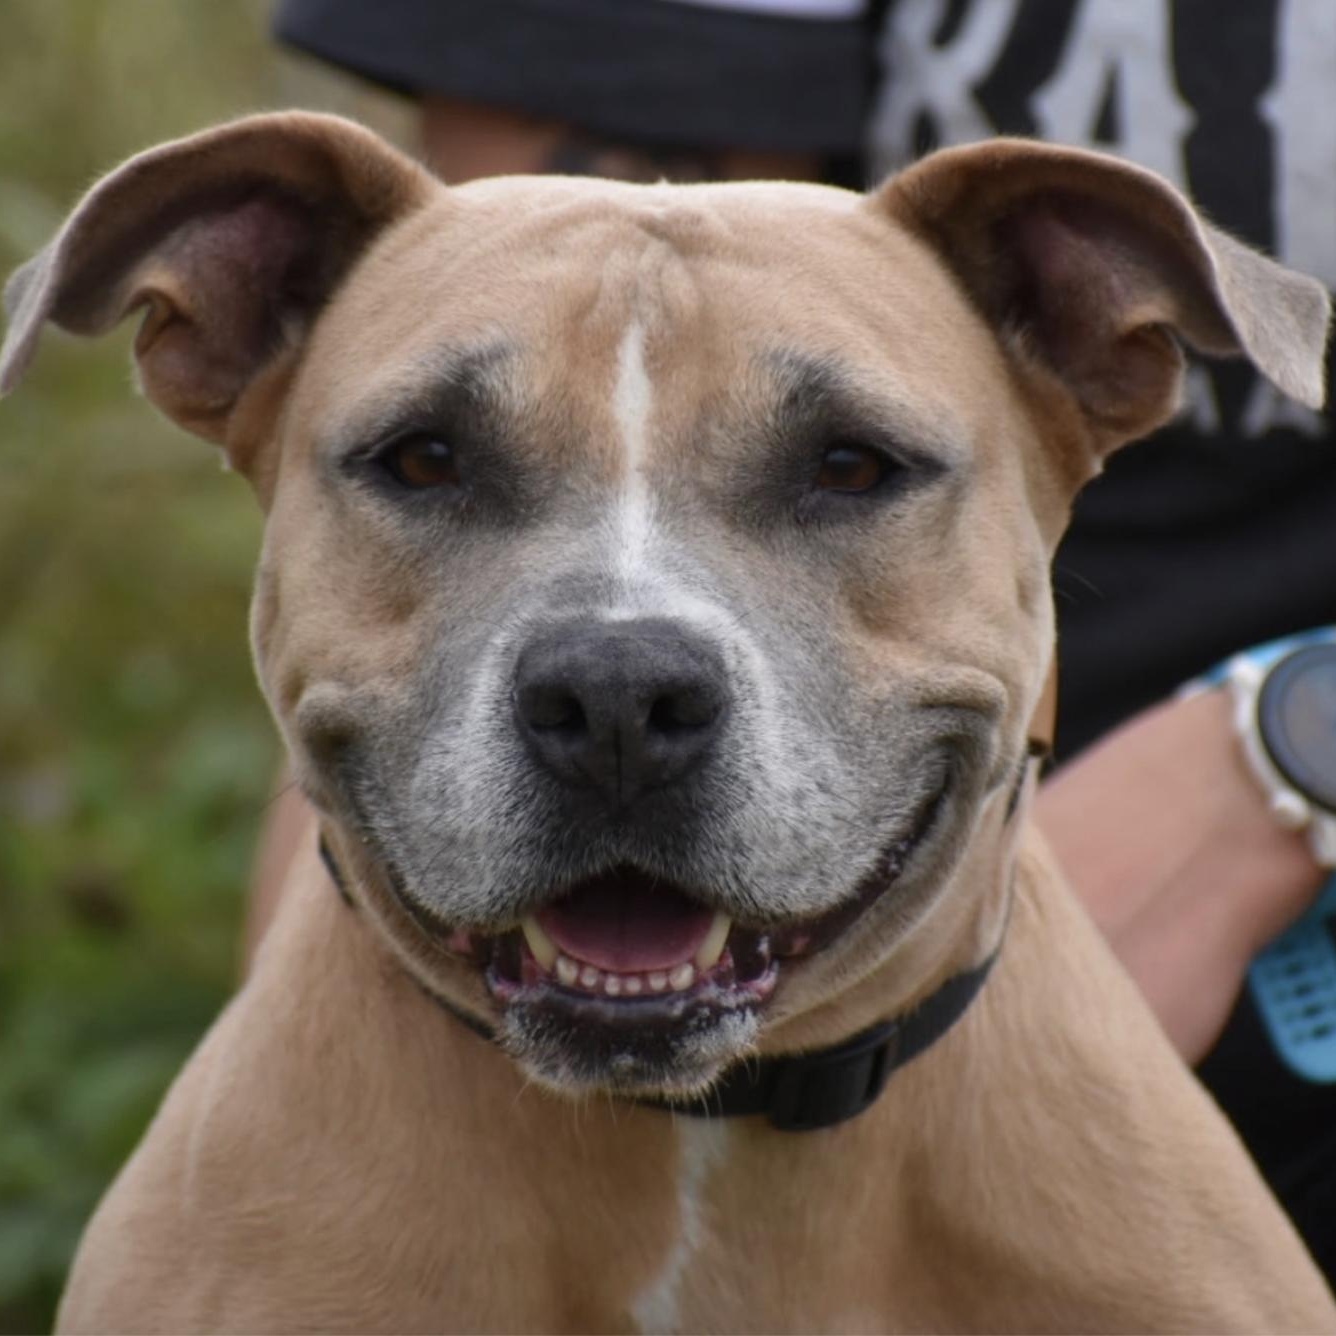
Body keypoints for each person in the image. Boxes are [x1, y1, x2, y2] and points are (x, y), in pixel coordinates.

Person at [273, 0, 1336, 1278]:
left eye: (847, 466)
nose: (622, 669)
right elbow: (509, 293)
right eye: (429, 463)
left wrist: (1284, 741)